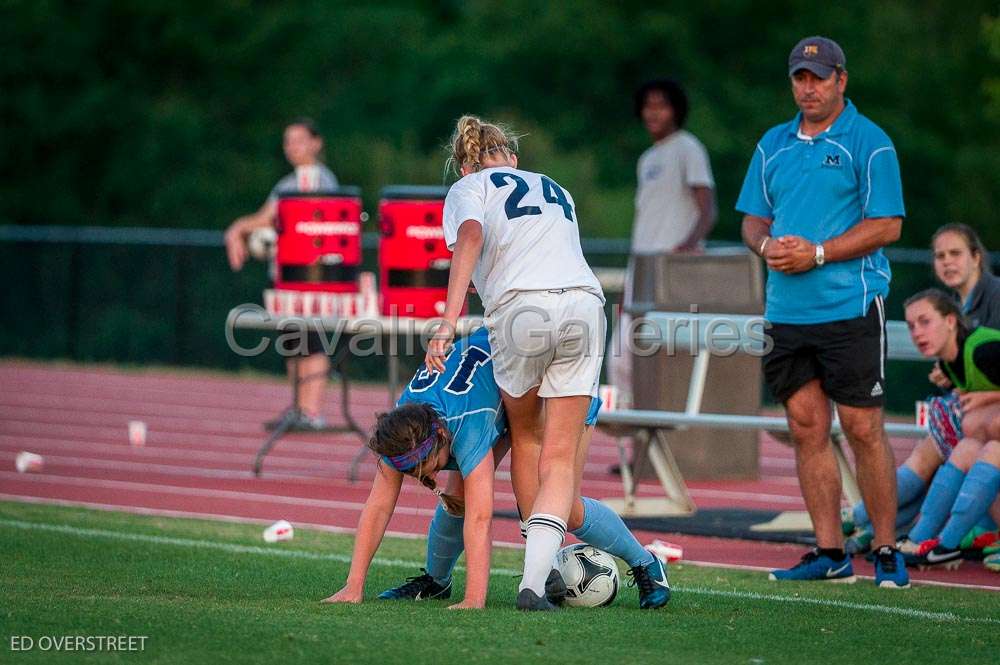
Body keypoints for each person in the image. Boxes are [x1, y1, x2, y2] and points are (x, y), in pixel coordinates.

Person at [320, 328, 669, 609]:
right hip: (503, 390)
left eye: (421, 467)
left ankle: (645, 563)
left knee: (564, 507)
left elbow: (481, 518)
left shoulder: (467, 428)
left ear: (442, 434)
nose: (418, 475)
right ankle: (437, 581)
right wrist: (354, 586)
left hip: (550, 382)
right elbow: (378, 505)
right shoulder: (403, 430)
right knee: (456, 497)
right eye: (408, 470)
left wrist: (475, 599)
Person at [427, 115, 623, 610]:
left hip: (521, 313)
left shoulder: (468, 186)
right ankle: (534, 582)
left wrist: (448, 323)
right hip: (584, 306)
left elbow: (470, 238)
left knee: (527, 439)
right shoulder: (555, 186)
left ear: (465, 163)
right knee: (560, 457)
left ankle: (495, 576)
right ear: (511, 155)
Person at [736, 36, 909, 588]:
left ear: (841, 80)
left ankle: (885, 547)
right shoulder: (773, 143)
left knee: (862, 427)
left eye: (818, 76)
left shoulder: (871, 141)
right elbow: (751, 221)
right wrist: (767, 249)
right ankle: (829, 551)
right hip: (786, 311)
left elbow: (888, 225)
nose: (808, 87)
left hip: (850, 305)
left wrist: (816, 253)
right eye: (799, 77)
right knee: (807, 427)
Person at [843, 224, 1000, 552]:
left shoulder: (994, 296)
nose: (946, 262)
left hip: (988, 418)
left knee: (930, 454)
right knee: (934, 451)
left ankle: (864, 520)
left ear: (976, 257)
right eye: (940, 256)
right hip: (978, 418)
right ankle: (880, 529)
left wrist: (981, 391)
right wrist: (951, 372)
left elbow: (987, 361)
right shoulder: (957, 303)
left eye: (955, 253)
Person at [608, 79, 717, 410]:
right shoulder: (647, 158)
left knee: (667, 355)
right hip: (641, 265)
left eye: (662, 105)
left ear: (676, 110)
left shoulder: (688, 148)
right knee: (624, 353)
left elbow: (707, 208)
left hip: (671, 268)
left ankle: (664, 441)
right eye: (648, 106)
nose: (653, 113)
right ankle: (635, 440)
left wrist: (687, 247)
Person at [224, 119, 339, 428]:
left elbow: (303, 222)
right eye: (288, 141)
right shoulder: (287, 184)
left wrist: (240, 229)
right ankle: (299, 408)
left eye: (300, 140)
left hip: (309, 276)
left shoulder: (320, 181)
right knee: (292, 339)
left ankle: (312, 411)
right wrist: (237, 231)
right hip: (284, 275)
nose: (292, 147)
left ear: (316, 143)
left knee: (311, 338)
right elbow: (265, 218)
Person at [894, 290, 1000, 567]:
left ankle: (943, 543)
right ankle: (926, 541)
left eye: (925, 321)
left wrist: (989, 397)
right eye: (911, 326)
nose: (917, 332)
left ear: (951, 321)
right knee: (967, 449)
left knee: (991, 446)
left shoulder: (984, 350)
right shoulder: (948, 363)